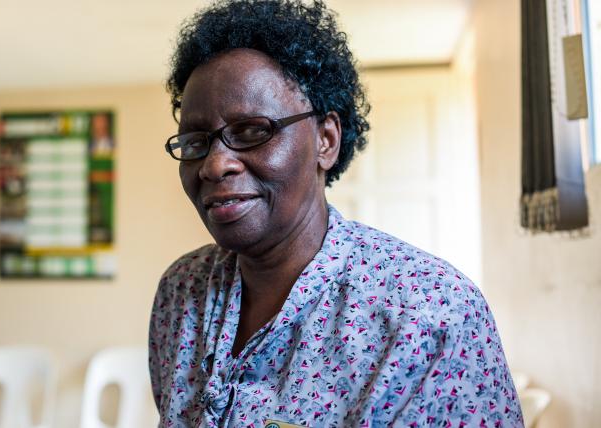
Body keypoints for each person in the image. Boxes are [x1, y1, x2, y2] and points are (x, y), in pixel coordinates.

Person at [149, 1, 523, 426]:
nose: (215, 165)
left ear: (325, 140)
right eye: (196, 141)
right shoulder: (181, 293)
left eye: (253, 132)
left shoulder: (430, 314)